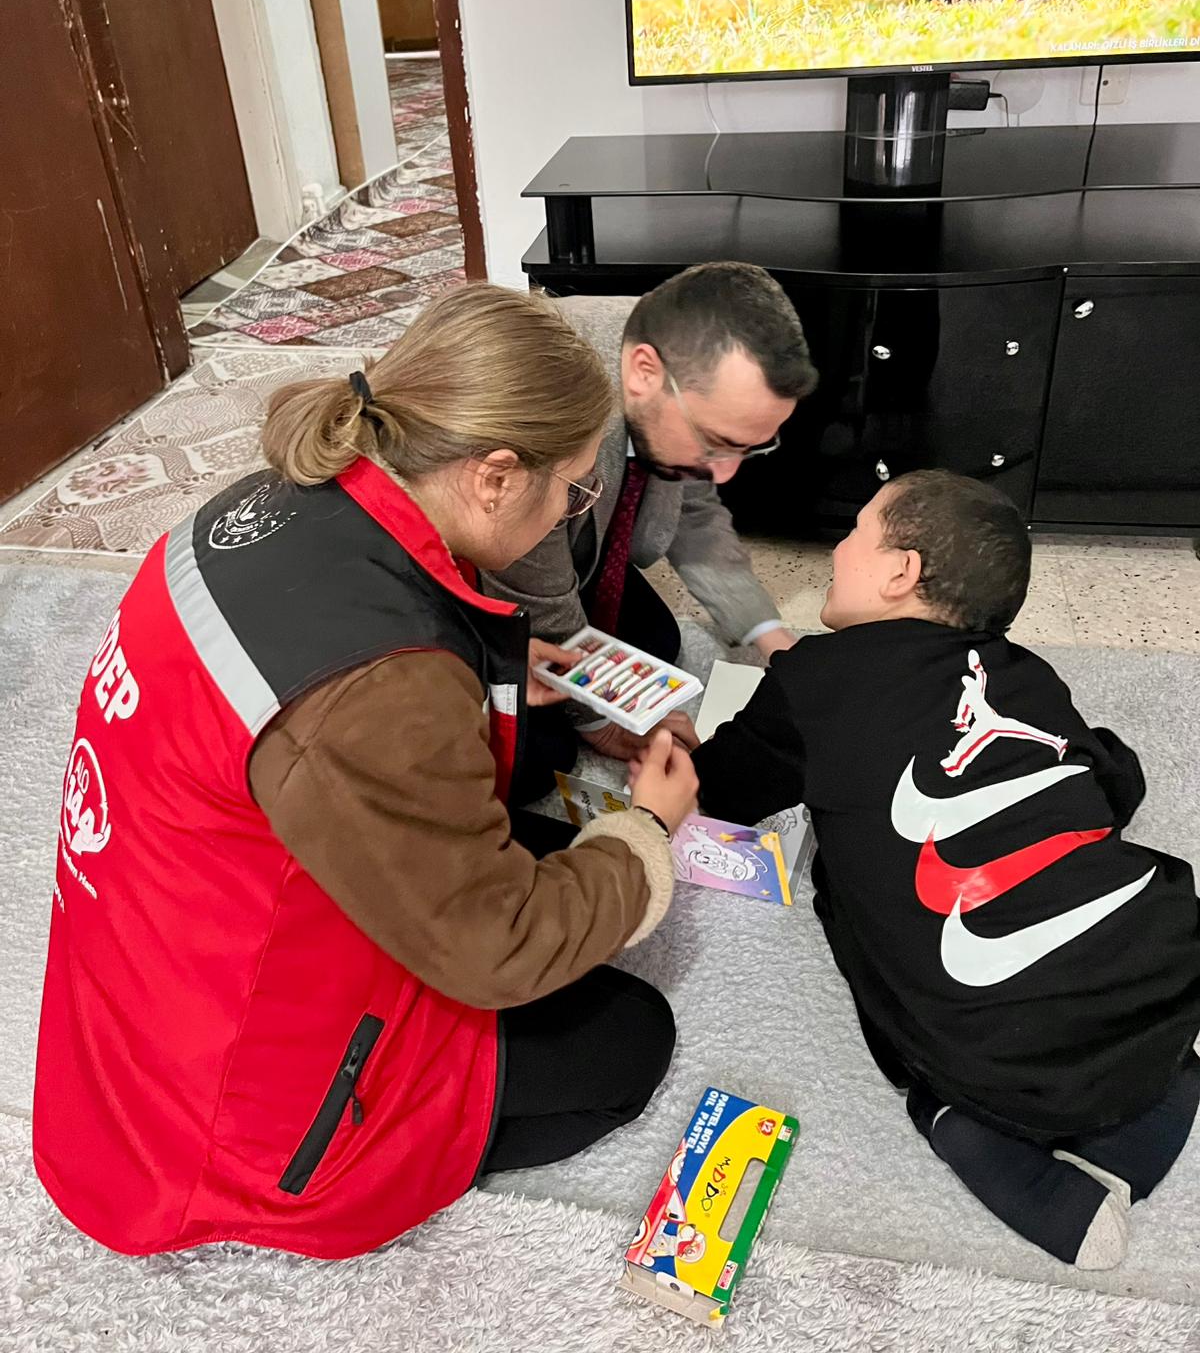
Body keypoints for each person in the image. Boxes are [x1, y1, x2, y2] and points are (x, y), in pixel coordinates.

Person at [33, 284, 699, 1261]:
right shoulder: (380, 691)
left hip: (167, 952)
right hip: (223, 1101)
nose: (572, 510)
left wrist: (524, 682)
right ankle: (332, 1172)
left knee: (551, 851)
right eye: (572, 488)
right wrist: (645, 832)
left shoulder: (276, 498)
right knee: (628, 1038)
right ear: (495, 476)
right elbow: (493, 947)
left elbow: (388, 682)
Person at [690, 470, 1200, 1270]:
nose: (838, 550)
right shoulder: (1028, 676)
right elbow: (1111, 785)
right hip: (1159, 981)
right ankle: (1138, 1102)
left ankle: (953, 1115)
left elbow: (720, 792)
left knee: (848, 895)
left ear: (902, 571)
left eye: (855, 532)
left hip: (984, 1055)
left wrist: (671, 768)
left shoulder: (811, 681)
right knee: (1127, 953)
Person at [484, 262, 818, 801]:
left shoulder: (675, 358)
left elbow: (696, 513)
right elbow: (527, 580)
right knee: (535, 760)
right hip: (491, 562)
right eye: (716, 442)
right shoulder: (543, 406)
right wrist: (600, 722)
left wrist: (770, 636)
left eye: (747, 448)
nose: (725, 474)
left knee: (659, 641)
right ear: (645, 371)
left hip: (569, 544)